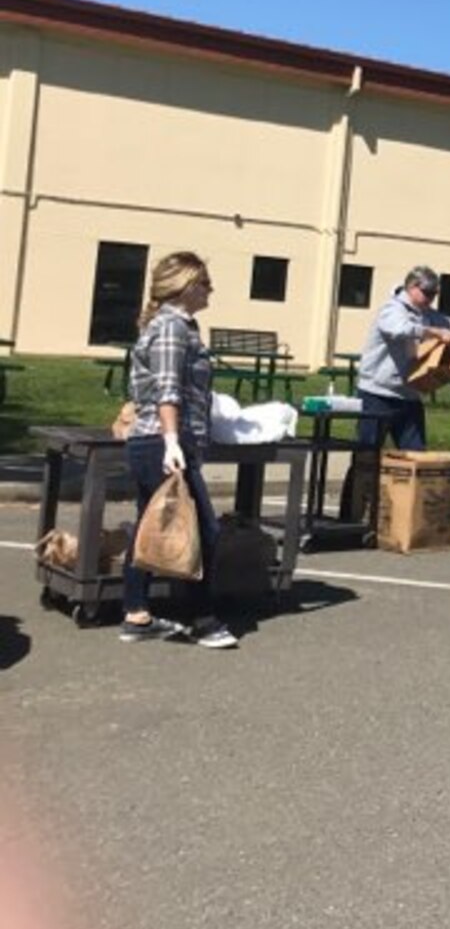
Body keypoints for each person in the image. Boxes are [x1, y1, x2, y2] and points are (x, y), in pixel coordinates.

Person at [119, 251, 237, 649]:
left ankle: (136, 613)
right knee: (203, 528)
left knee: (151, 525)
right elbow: (168, 390)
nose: (210, 289)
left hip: (158, 441)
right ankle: (203, 618)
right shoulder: (171, 328)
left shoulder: (182, 327)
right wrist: (172, 442)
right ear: (184, 285)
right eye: (204, 282)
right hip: (160, 441)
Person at [356, 265, 450, 452]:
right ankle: (357, 483)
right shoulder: (391, 309)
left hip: (409, 395)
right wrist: (432, 331)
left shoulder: (428, 314)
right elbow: (399, 329)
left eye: (435, 293)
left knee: (416, 455)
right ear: (412, 287)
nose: (431, 298)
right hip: (377, 394)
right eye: (427, 293)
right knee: (367, 458)